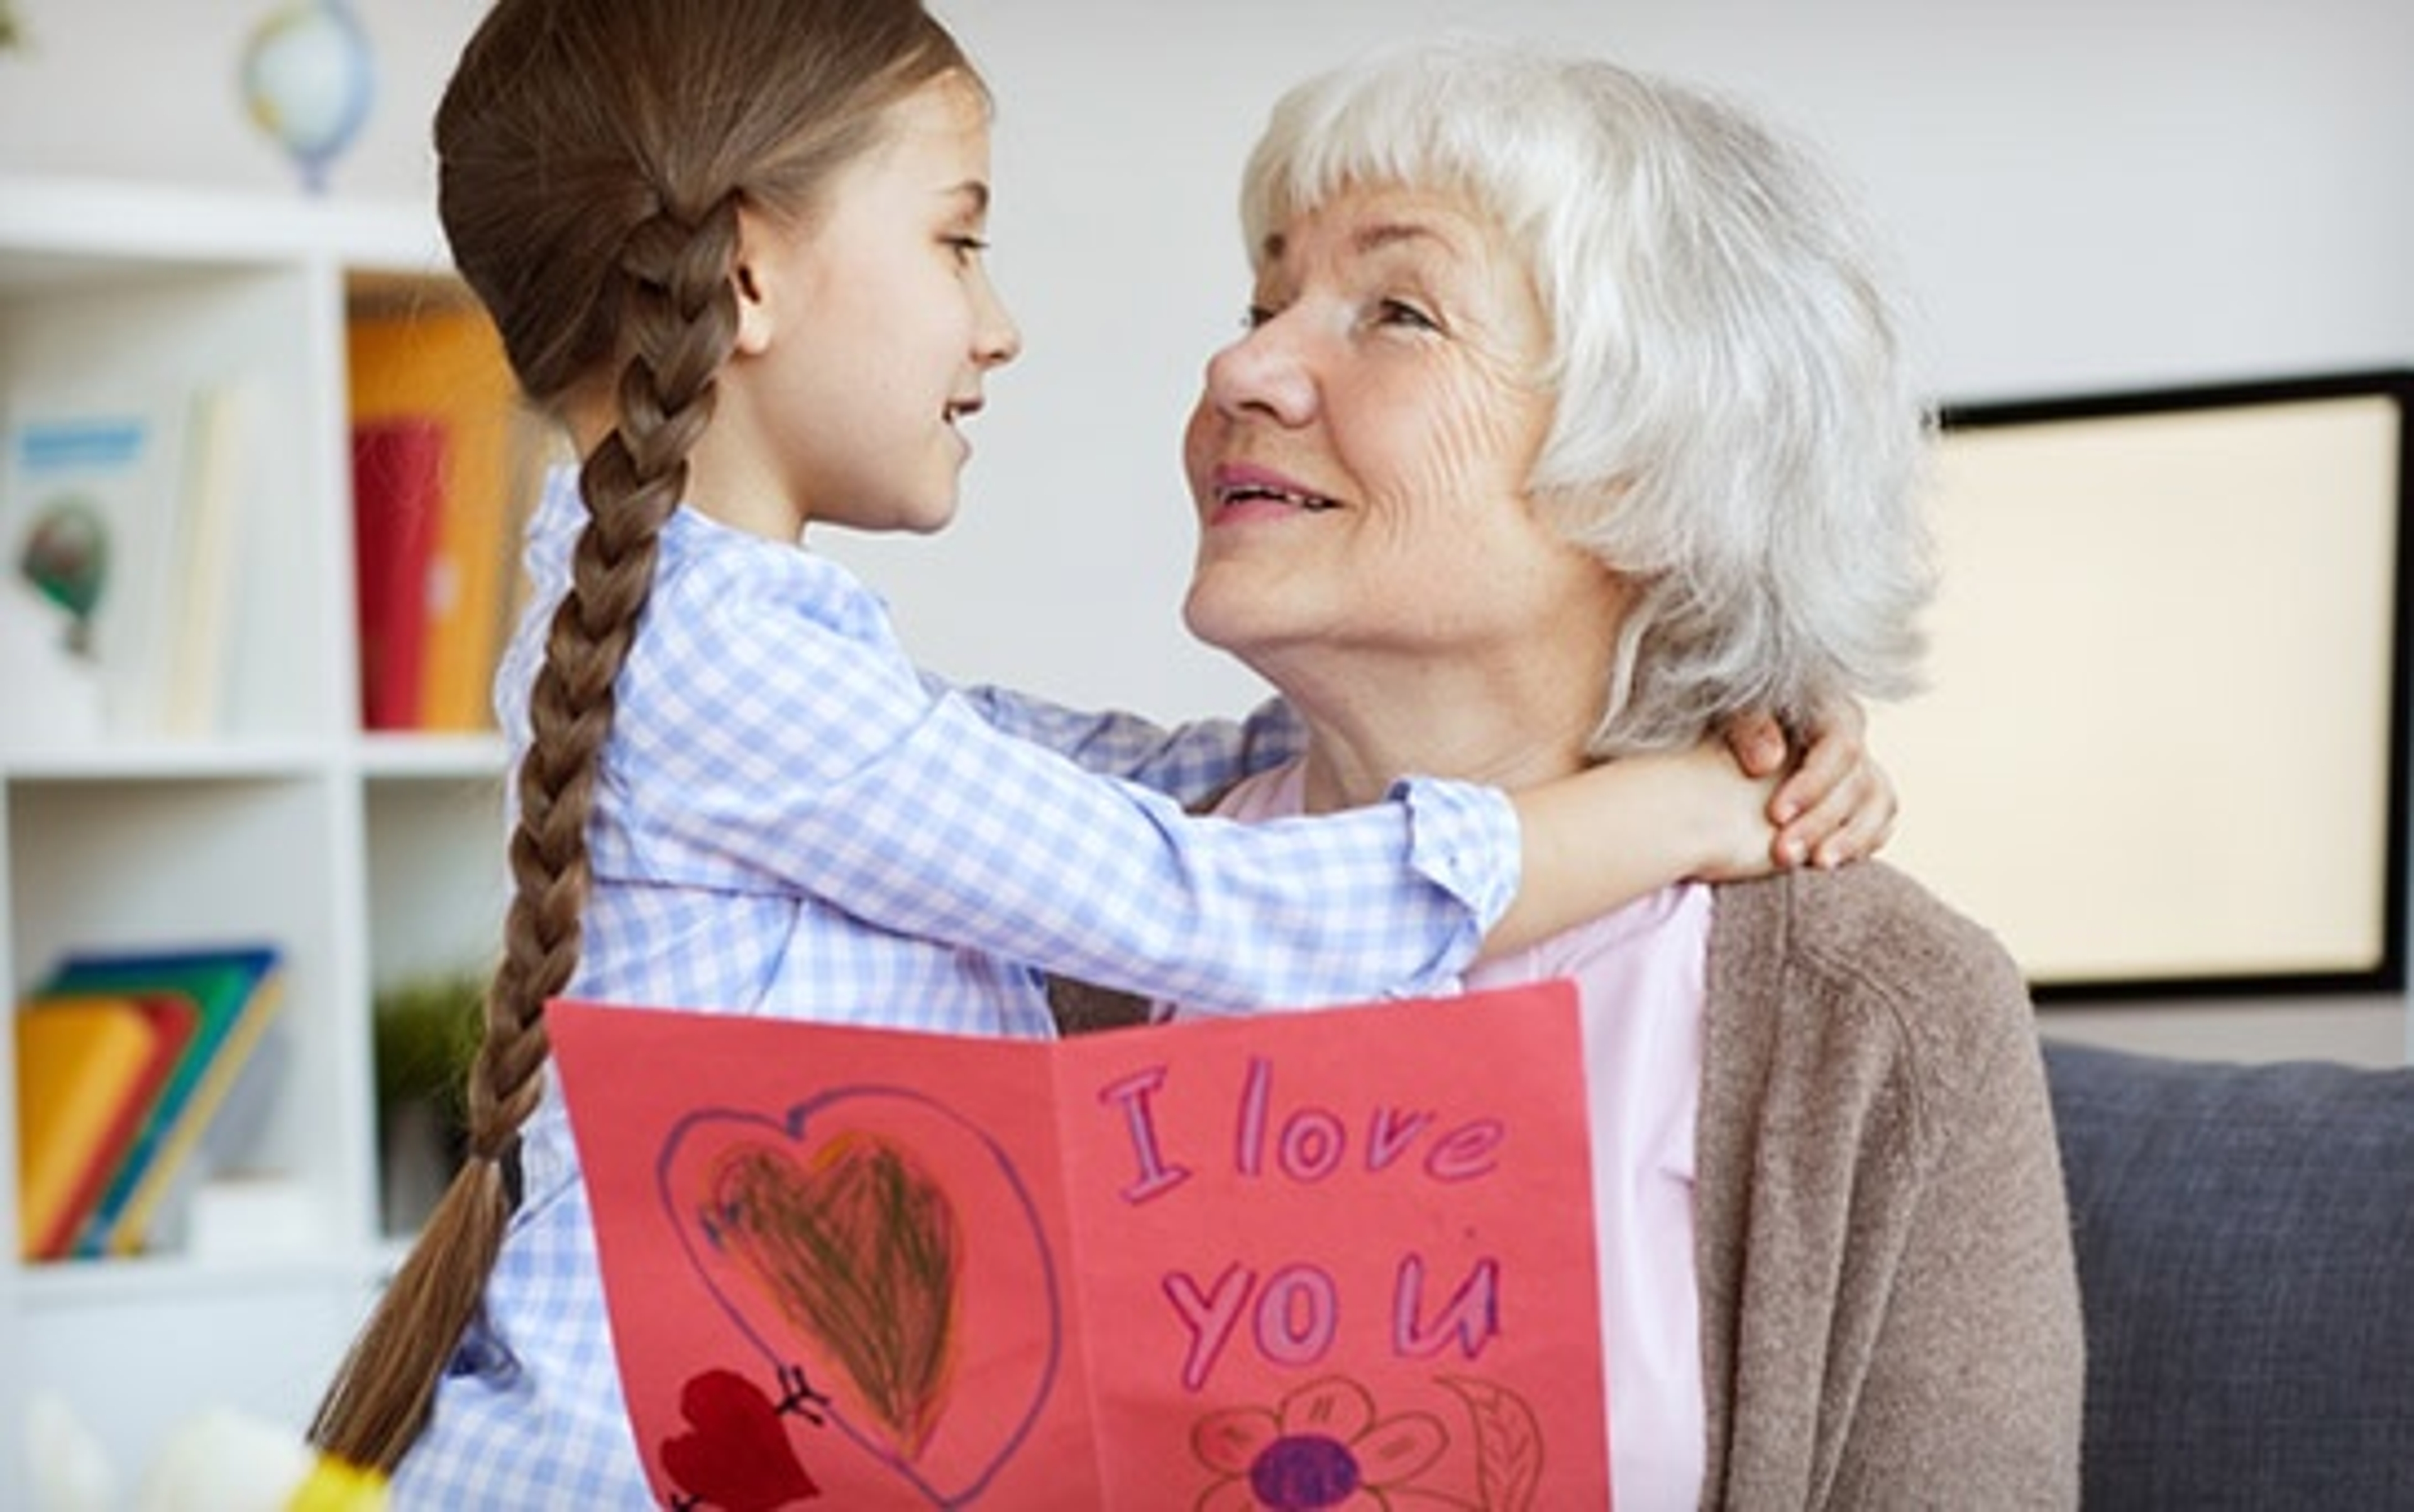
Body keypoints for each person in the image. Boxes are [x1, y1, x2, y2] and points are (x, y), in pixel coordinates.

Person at [303, 2, 1901, 1503]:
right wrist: (1683, 806)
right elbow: (1214, 905)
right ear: (749, 277)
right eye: (958, 240)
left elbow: (1111, 775)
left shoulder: (734, 651)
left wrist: (1661, 720)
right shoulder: (719, 666)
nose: (998, 328)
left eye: (1394, 311)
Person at [1104, 35, 2085, 1508]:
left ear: (1648, 464)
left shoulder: (1878, 1012)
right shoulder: (1053, 899)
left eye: (1397, 311)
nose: (1241, 366)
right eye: (1262, 302)